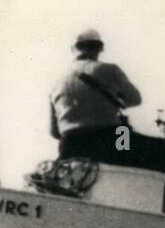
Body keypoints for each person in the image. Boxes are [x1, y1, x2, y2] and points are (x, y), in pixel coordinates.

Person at [49, 28, 142, 158]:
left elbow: (54, 132)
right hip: (108, 141)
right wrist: (116, 98)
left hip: (69, 146)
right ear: (100, 48)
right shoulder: (110, 70)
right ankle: (127, 160)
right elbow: (135, 99)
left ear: (73, 49)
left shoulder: (57, 81)